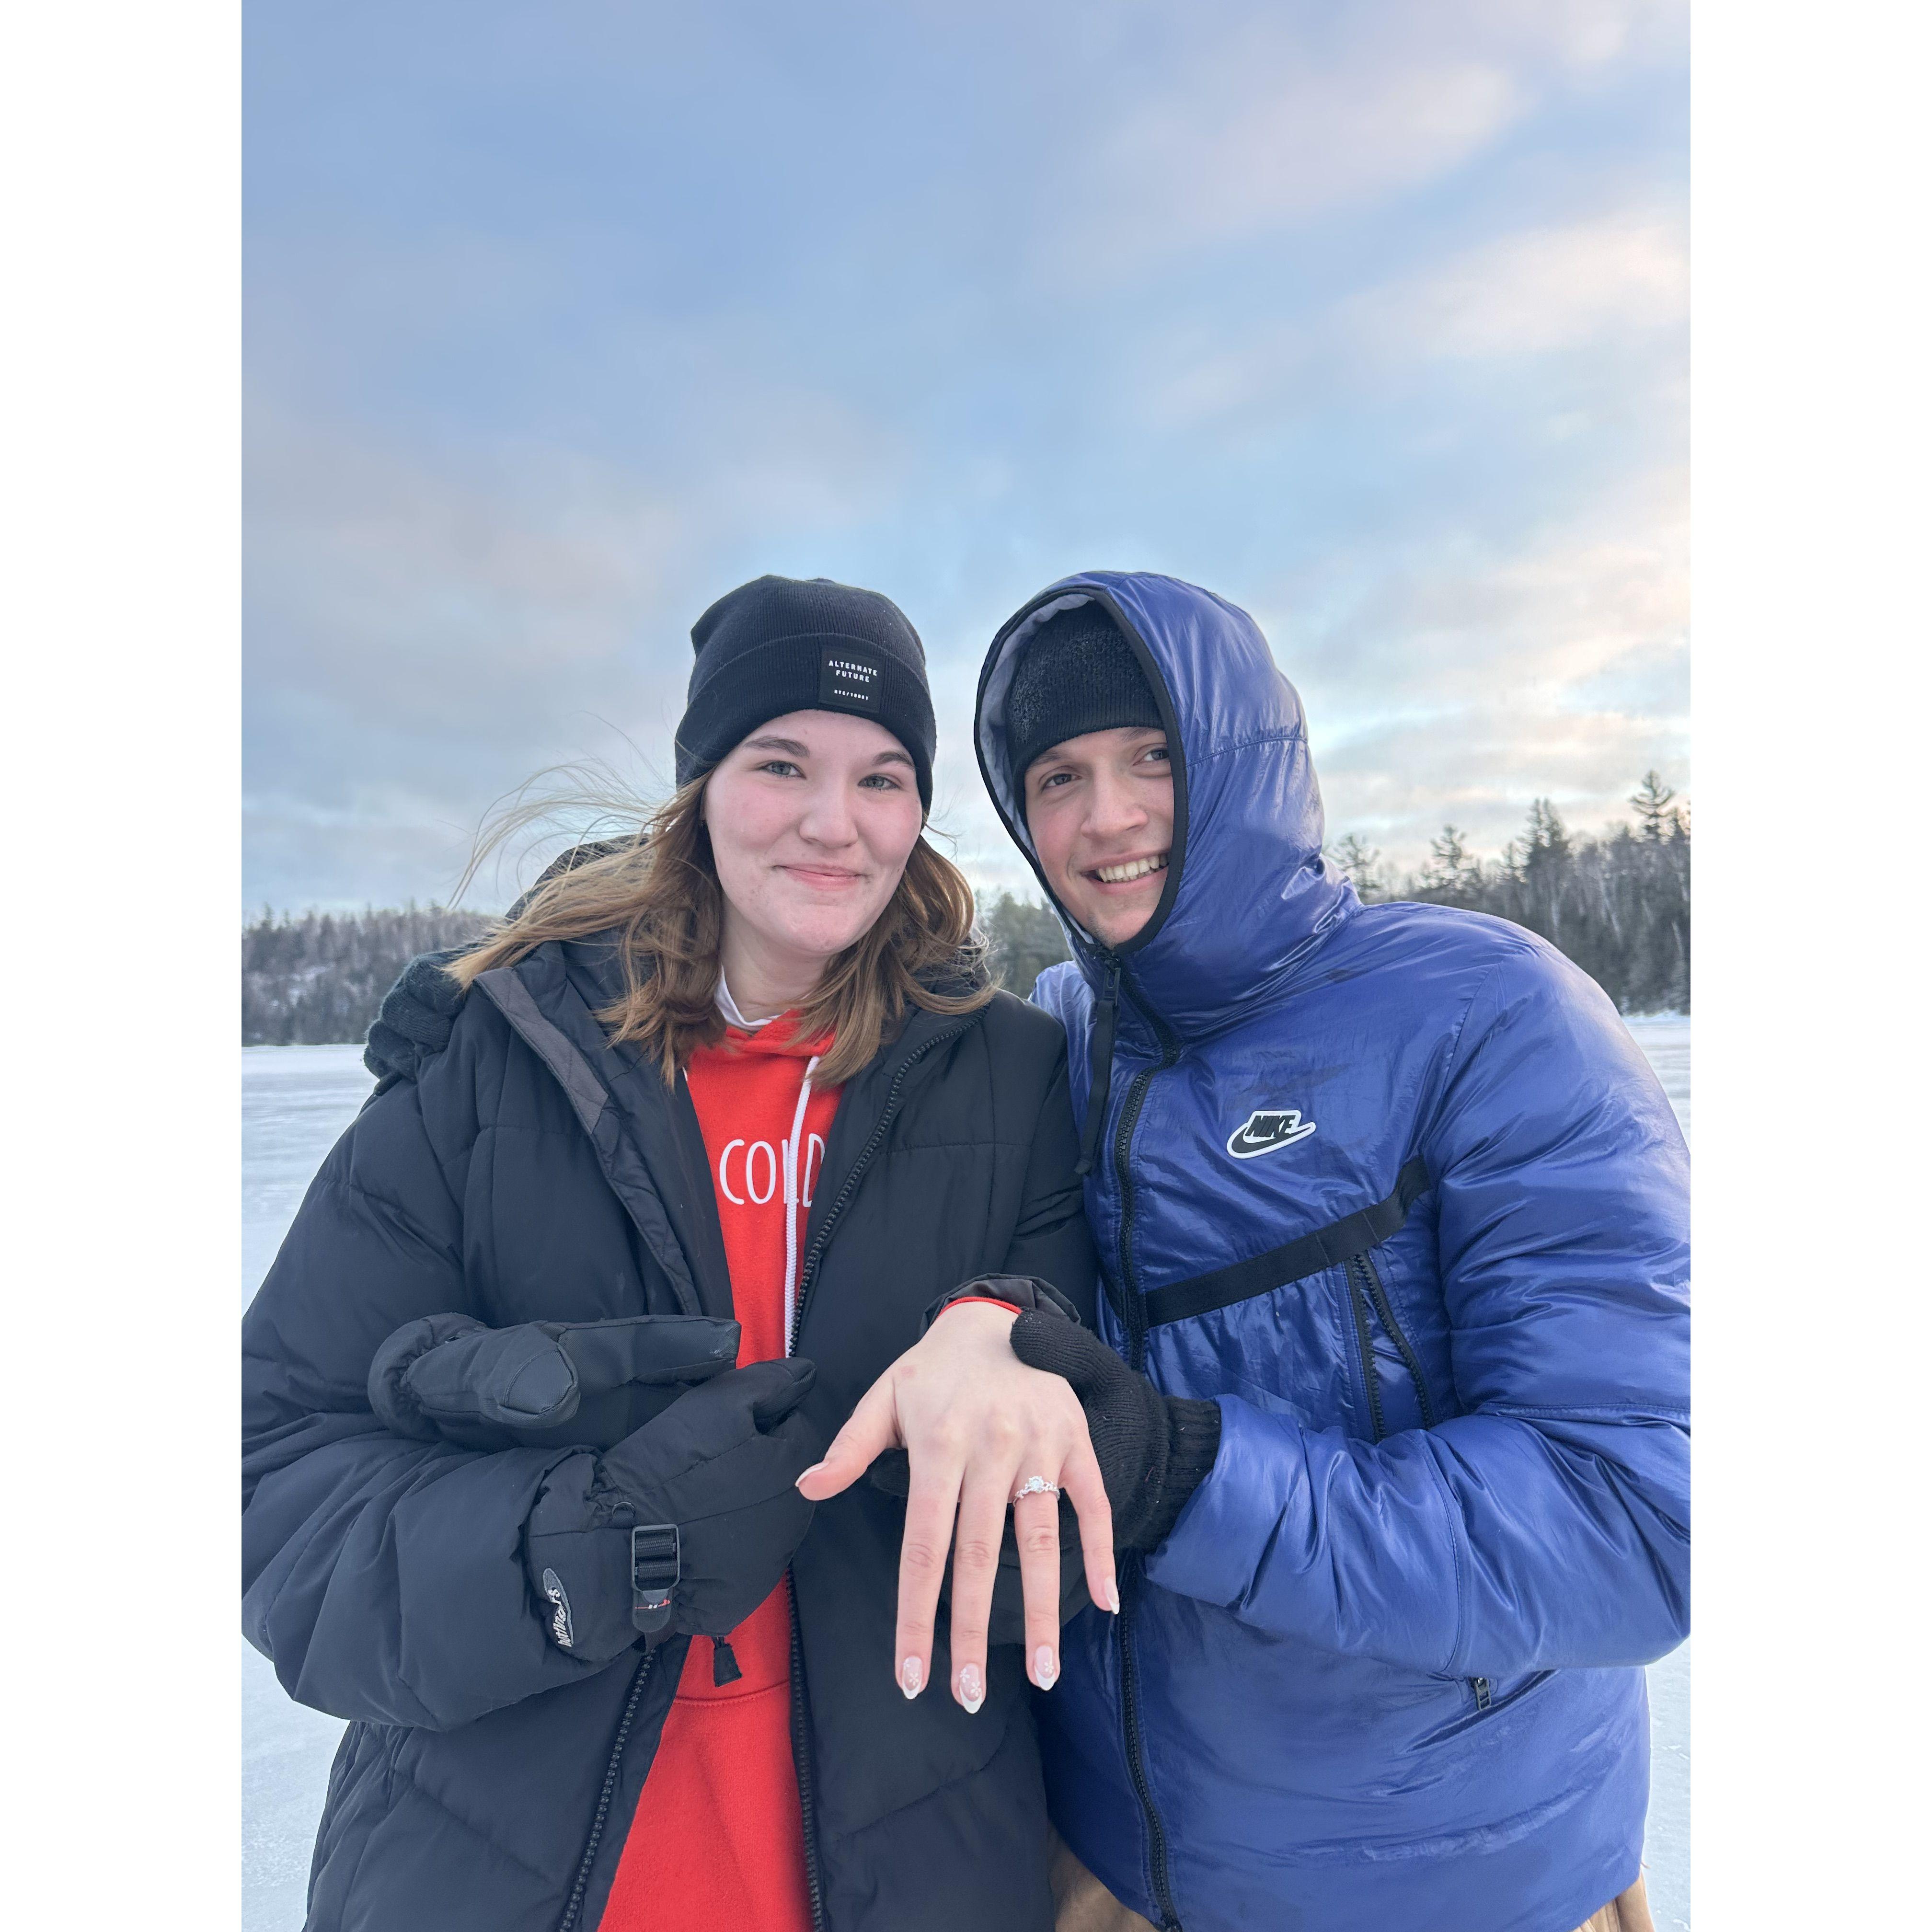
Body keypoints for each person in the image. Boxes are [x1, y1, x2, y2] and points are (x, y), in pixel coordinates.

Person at [802, 573, 1689, 1932]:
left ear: (1248, 764)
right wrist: (553, 985)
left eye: (1153, 756)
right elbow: (801, 1051)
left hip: (1452, 1879)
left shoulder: (1489, 1014)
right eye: (1059, 775)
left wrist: (1186, 1476)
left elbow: (1634, 1527)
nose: (1107, 816)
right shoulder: (1056, 1036)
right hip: (1112, 1861)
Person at [242, 574, 1117, 1932]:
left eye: (884, 778)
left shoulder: (1007, 1076)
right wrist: (586, 1551)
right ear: (703, 783)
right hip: (500, 1870)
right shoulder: (498, 1054)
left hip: (908, 1865)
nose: (836, 823)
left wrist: (1014, 1337)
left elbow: (1086, 1393)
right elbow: (273, 1465)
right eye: (783, 764)